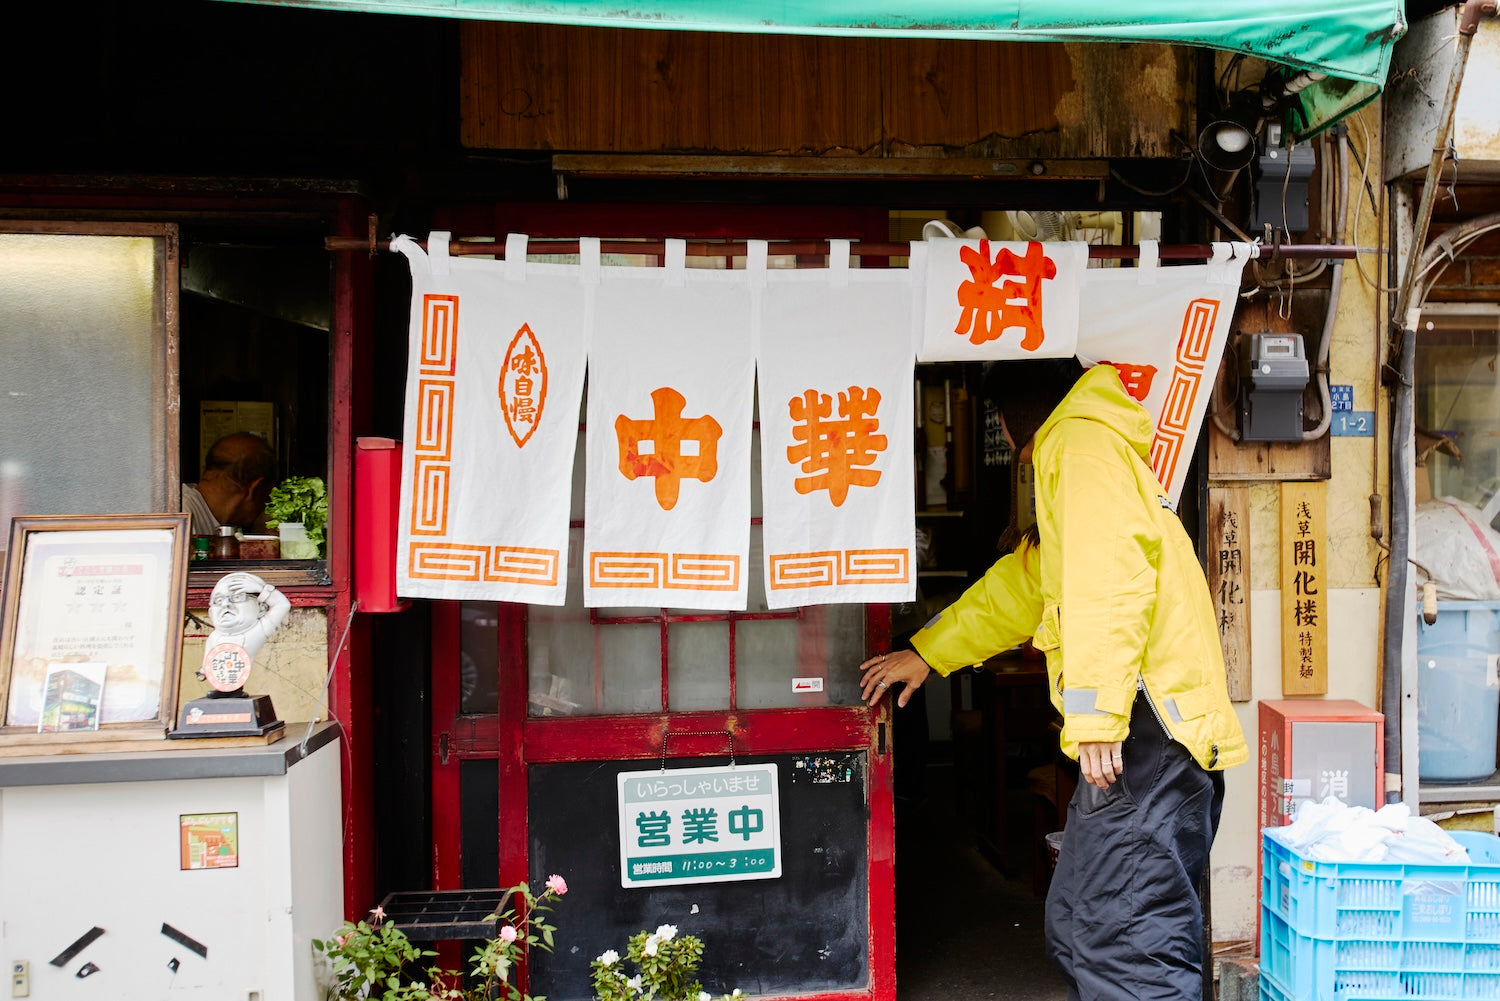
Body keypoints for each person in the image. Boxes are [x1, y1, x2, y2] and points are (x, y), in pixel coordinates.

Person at [860, 359, 1247, 1001]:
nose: (1010, 452)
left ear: (1016, 420)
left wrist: (1095, 715)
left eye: (1003, 434)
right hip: (1146, 736)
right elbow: (1025, 586)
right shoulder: (1091, 448)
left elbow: (1109, 579)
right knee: (1079, 924)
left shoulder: (1081, 442)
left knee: (1124, 946)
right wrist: (928, 653)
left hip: (1144, 733)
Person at [182, 432, 277, 536]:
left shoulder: (228, 526)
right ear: (255, 489)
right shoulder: (182, 513)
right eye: (267, 499)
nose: (265, 506)